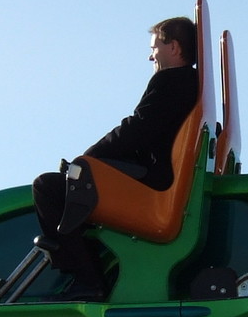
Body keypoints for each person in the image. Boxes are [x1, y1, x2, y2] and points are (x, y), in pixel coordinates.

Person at [30, 17, 200, 299]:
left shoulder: (170, 81)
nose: (151, 55)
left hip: (153, 182)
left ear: (174, 47)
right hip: (159, 173)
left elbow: (138, 129)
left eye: (155, 47)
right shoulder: (193, 85)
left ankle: (87, 280)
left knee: (49, 186)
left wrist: (89, 157)